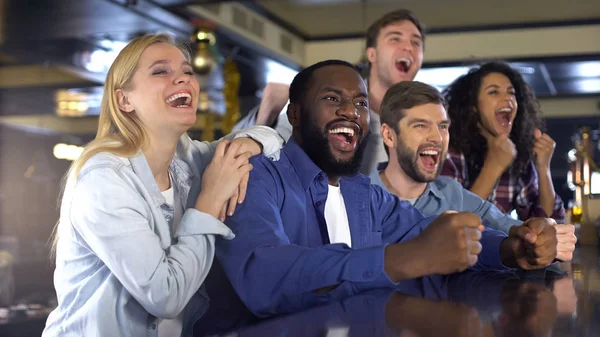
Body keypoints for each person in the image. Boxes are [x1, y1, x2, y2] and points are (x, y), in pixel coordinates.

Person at [209, 60, 558, 319]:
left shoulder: (364, 194)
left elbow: (429, 234)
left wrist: (513, 250)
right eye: (333, 99)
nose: (350, 111)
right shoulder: (256, 174)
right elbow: (262, 275)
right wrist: (399, 259)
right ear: (296, 114)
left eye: (361, 104)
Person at [42, 34, 283, 337]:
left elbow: (271, 138)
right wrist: (210, 199)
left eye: (187, 72)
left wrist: (248, 142)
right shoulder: (105, 178)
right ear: (123, 99)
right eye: (161, 71)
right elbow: (164, 296)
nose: (182, 80)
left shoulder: (188, 158)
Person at [370, 81, 577, 261]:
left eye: (442, 126)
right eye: (421, 126)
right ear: (389, 136)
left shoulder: (451, 192)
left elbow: (505, 225)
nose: (437, 137)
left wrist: (540, 235)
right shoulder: (356, 196)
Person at [233, 9, 425, 174]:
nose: (408, 47)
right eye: (395, 38)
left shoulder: (423, 121)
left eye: (416, 43)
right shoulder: (328, 99)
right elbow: (256, 146)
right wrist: (266, 117)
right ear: (371, 54)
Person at [441, 61, 565, 222]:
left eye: (511, 93)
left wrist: (543, 167)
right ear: (473, 107)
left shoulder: (519, 158)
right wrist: (494, 166)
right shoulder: (450, 152)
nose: (507, 98)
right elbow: (450, 224)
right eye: (493, 92)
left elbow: (546, 222)